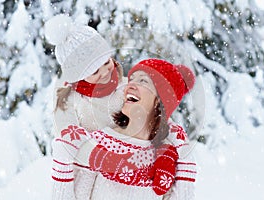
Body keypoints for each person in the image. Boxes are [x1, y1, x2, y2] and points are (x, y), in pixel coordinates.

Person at [51, 58, 197, 199]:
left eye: (143, 81)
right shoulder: (99, 143)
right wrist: (61, 160)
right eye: (131, 79)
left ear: (159, 100)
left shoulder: (166, 156)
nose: (130, 85)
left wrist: (185, 156)